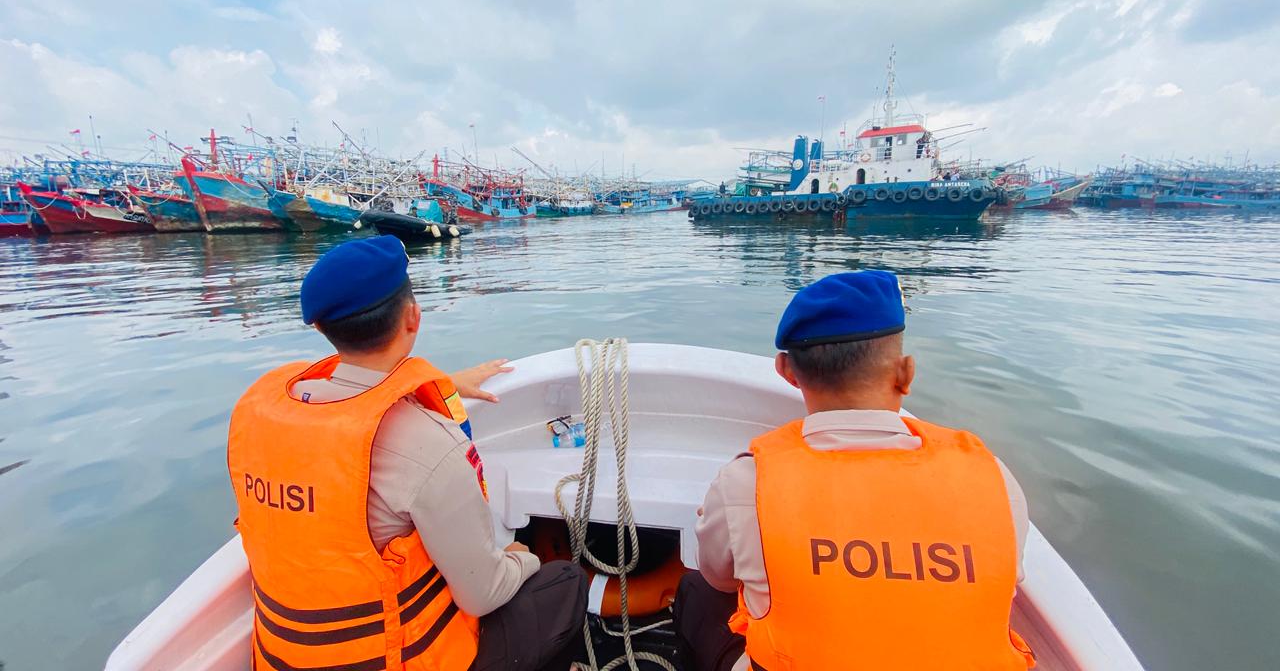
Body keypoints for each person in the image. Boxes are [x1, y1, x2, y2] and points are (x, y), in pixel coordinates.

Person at [226, 236, 587, 671]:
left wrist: (444, 383)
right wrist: (524, 557)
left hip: (280, 659)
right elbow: (483, 594)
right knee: (563, 581)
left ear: (321, 328)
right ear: (413, 317)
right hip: (396, 660)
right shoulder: (427, 443)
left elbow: (351, 407)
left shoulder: (263, 414)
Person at [675, 270, 1035, 670]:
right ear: (906, 373)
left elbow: (717, 576)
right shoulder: (994, 481)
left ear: (786, 371)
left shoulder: (748, 483)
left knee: (697, 591)